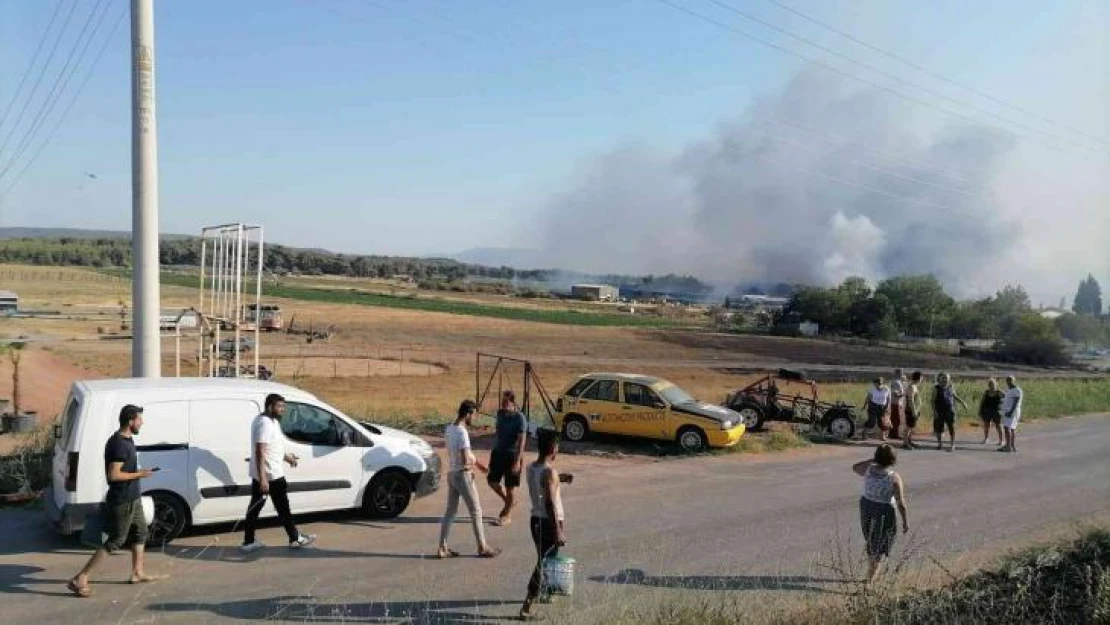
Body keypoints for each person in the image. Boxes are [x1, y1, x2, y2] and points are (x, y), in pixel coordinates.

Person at [67, 405, 165, 597]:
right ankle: (80, 578)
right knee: (116, 540)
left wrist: (138, 475)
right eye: (139, 419)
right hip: (122, 500)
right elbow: (114, 475)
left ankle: (137, 573)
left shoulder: (127, 440)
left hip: (133, 497)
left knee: (141, 532)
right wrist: (141, 474)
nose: (142, 422)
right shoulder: (118, 444)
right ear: (130, 421)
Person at [241, 393, 316, 552]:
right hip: (270, 475)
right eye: (280, 406)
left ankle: (249, 542)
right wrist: (263, 479)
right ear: (270, 406)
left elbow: (272, 447)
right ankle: (295, 538)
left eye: (283, 406)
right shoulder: (264, 423)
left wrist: (287, 457)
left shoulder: (271, 421)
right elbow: (260, 451)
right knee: (282, 508)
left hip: (267, 473)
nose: (283, 410)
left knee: (257, 508)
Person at [438, 399, 501, 559]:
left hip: (452, 474)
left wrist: (479, 465)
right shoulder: (462, 432)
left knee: (450, 512)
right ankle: (482, 547)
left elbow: (461, 453)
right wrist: (469, 469)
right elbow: (465, 457)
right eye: (473, 415)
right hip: (462, 475)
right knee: (476, 511)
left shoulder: (450, 429)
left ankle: (442, 547)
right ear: (467, 414)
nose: (474, 418)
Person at [519, 429, 568, 621]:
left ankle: (545, 592)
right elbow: (549, 502)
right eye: (557, 447)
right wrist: (558, 531)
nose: (558, 450)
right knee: (543, 563)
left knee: (545, 559)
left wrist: (561, 478)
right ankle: (526, 608)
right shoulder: (550, 472)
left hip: (536, 520)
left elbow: (543, 483)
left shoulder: (532, 467)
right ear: (552, 449)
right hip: (548, 521)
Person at [853, 444, 909, 584]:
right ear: (893, 460)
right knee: (880, 543)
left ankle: (871, 570)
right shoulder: (894, 478)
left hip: (867, 506)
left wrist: (874, 460)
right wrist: (905, 521)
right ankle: (871, 578)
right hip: (884, 511)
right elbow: (901, 503)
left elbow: (855, 467)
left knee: (871, 538)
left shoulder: (868, 469)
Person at [488, 390, 528, 527]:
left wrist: (517, 461)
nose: (503, 405)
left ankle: (506, 515)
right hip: (498, 453)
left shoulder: (520, 418)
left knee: (510, 487)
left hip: (512, 455)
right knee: (492, 482)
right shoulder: (500, 414)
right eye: (502, 403)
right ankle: (509, 502)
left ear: (513, 403)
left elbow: (522, 441)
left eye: (506, 403)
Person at [931, 373, 969, 452]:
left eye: (946, 378)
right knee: (939, 429)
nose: (945, 379)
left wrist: (963, 403)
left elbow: (955, 396)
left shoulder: (950, 387)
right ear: (940, 379)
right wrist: (934, 411)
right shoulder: (936, 388)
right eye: (943, 378)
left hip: (950, 411)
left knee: (951, 428)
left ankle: (952, 445)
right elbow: (932, 401)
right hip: (939, 411)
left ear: (949, 379)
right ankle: (940, 444)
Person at [1000, 376, 1024, 453]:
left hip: (1012, 411)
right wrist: (1002, 395)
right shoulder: (1009, 390)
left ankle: (1008, 446)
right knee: (1011, 428)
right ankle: (1011, 445)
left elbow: (1016, 402)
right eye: (1007, 380)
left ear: (1013, 381)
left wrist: (1011, 412)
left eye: (1010, 380)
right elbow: (1007, 398)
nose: (1009, 382)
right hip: (1007, 411)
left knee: (1007, 428)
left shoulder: (1017, 390)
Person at [978, 379, 1005, 446]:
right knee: (986, 425)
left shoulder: (999, 392)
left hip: (996, 411)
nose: (991, 385)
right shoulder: (986, 392)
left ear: (995, 384)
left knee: (998, 425)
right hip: (987, 411)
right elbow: (982, 401)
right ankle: (986, 439)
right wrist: (980, 410)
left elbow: (1006, 398)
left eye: (992, 383)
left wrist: (1003, 407)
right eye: (990, 384)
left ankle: (1001, 440)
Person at [902, 371, 923, 450]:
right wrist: (914, 411)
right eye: (921, 377)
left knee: (911, 427)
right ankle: (905, 443)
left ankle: (909, 441)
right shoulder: (911, 387)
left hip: (915, 410)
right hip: (911, 410)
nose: (922, 379)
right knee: (908, 427)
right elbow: (911, 400)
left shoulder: (914, 386)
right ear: (919, 378)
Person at [888, 369, 906, 440]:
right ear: (899, 374)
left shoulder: (897, 382)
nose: (902, 374)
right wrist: (904, 394)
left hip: (896, 403)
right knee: (896, 419)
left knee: (894, 419)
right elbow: (895, 394)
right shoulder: (896, 382)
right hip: (896, 403)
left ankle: (893, 433)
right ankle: (895, 434)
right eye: (901, 373)